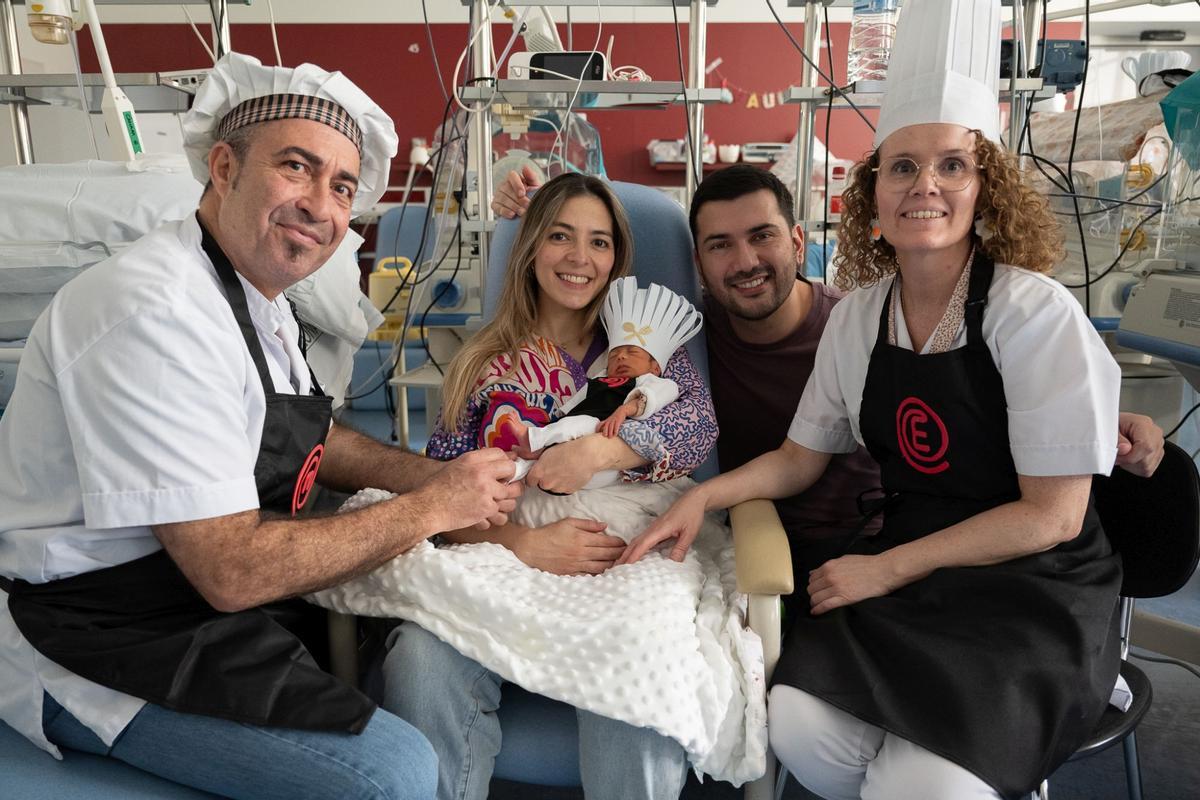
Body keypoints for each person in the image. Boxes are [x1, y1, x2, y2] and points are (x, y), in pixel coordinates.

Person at [621, 2, 1148, 797]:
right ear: (874, 192)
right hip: (916, 569)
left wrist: (886, 569)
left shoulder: (1032, 312)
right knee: (794, 719)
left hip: (1033, 586)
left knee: (927, 784)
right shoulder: (862, 317)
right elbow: (801, 458)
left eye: (950, 166)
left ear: (986, 188)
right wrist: (703, 501)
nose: (923, 185)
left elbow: (1053, 516)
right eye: (901, 167)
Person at [0, 52, 522, 800]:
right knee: (393, 772)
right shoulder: (152, 315)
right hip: (99, 633)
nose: (320, 203)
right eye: (296, 167)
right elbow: (231, 569)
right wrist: (434, 508)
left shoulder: (261, 302)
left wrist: (431, 476)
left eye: (342, 186)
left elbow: (308, 434)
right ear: (223, 166)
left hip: (187, 599)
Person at [383, 172, 718, 800]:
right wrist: (521, 546)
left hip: (622, 556)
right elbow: (440, 492)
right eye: (560, 236)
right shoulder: (480, 365)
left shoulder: (641, 352)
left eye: (598, 242)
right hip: (504, 556)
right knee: (419, 658)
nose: (578, 258)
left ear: (617, 258)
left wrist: (599, 449)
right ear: (531, 245)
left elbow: (696, 430)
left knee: (640, 658)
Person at [508, 276, 704, 486]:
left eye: (632, 352)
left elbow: (650, 398)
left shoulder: (655, 382)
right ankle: (520, 468)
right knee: (562, 434)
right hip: (580, 429)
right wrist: (561, 414)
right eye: (614, 355)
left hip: (604, 431)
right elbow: (581, 398)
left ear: (655, 367)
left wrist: (624, 411)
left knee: (578, 425)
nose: (620, 357)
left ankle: (534, 440)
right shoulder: (600, 377)